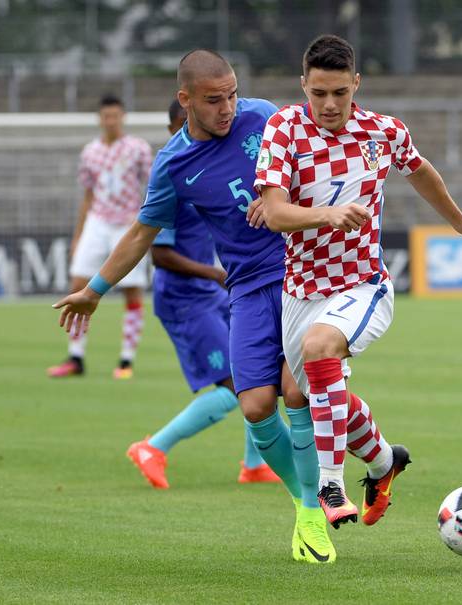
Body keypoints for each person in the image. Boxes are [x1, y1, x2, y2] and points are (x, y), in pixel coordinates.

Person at [53, 50, 337, 563]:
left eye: (231, 93)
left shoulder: (265, 115)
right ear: (185, 101)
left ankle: (318, 509)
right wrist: (94, 290)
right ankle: (309, 500)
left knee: (297, 393)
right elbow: (144, 234)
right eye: (213, 99)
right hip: (246, 288)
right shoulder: (173, 166)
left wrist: (282, 202)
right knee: (254, 406)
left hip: (302, 272)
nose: (228, 107)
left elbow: (320, 158)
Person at [252, 34, 462, 528]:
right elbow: (277, 213)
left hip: (363, 285)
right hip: (301, 291)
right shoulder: (283, 128)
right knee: (322, 398)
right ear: (303, 84)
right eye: (319, 92)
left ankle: (330, 484)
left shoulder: (383, 132)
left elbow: (420, 169)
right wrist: (327, 214)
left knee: (321, 348)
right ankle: (386, 462)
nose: (329, 104)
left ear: (356, 85)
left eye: (340, 93)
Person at [126, 100, 279, 488]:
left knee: (259, 375)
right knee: (232, 387)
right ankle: (153, 447)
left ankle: (254, 464)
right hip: (182, 299)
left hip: (212, 294)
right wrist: (212, 271)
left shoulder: (208, 167)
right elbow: (159, 254)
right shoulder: (174, 175)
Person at [47, 94, 153, 380]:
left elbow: (153, 186)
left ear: (123, 117)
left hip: (127, 224)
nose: (110, 121)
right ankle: (76, 356)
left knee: (132, 291)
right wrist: (78, 235)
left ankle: (126, 360)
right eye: (106, 116)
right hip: (97, 222)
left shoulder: (137, 149)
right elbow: (87, 195)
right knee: (79, 284)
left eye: (115, 116)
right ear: (100, 119)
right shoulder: (90, 152)